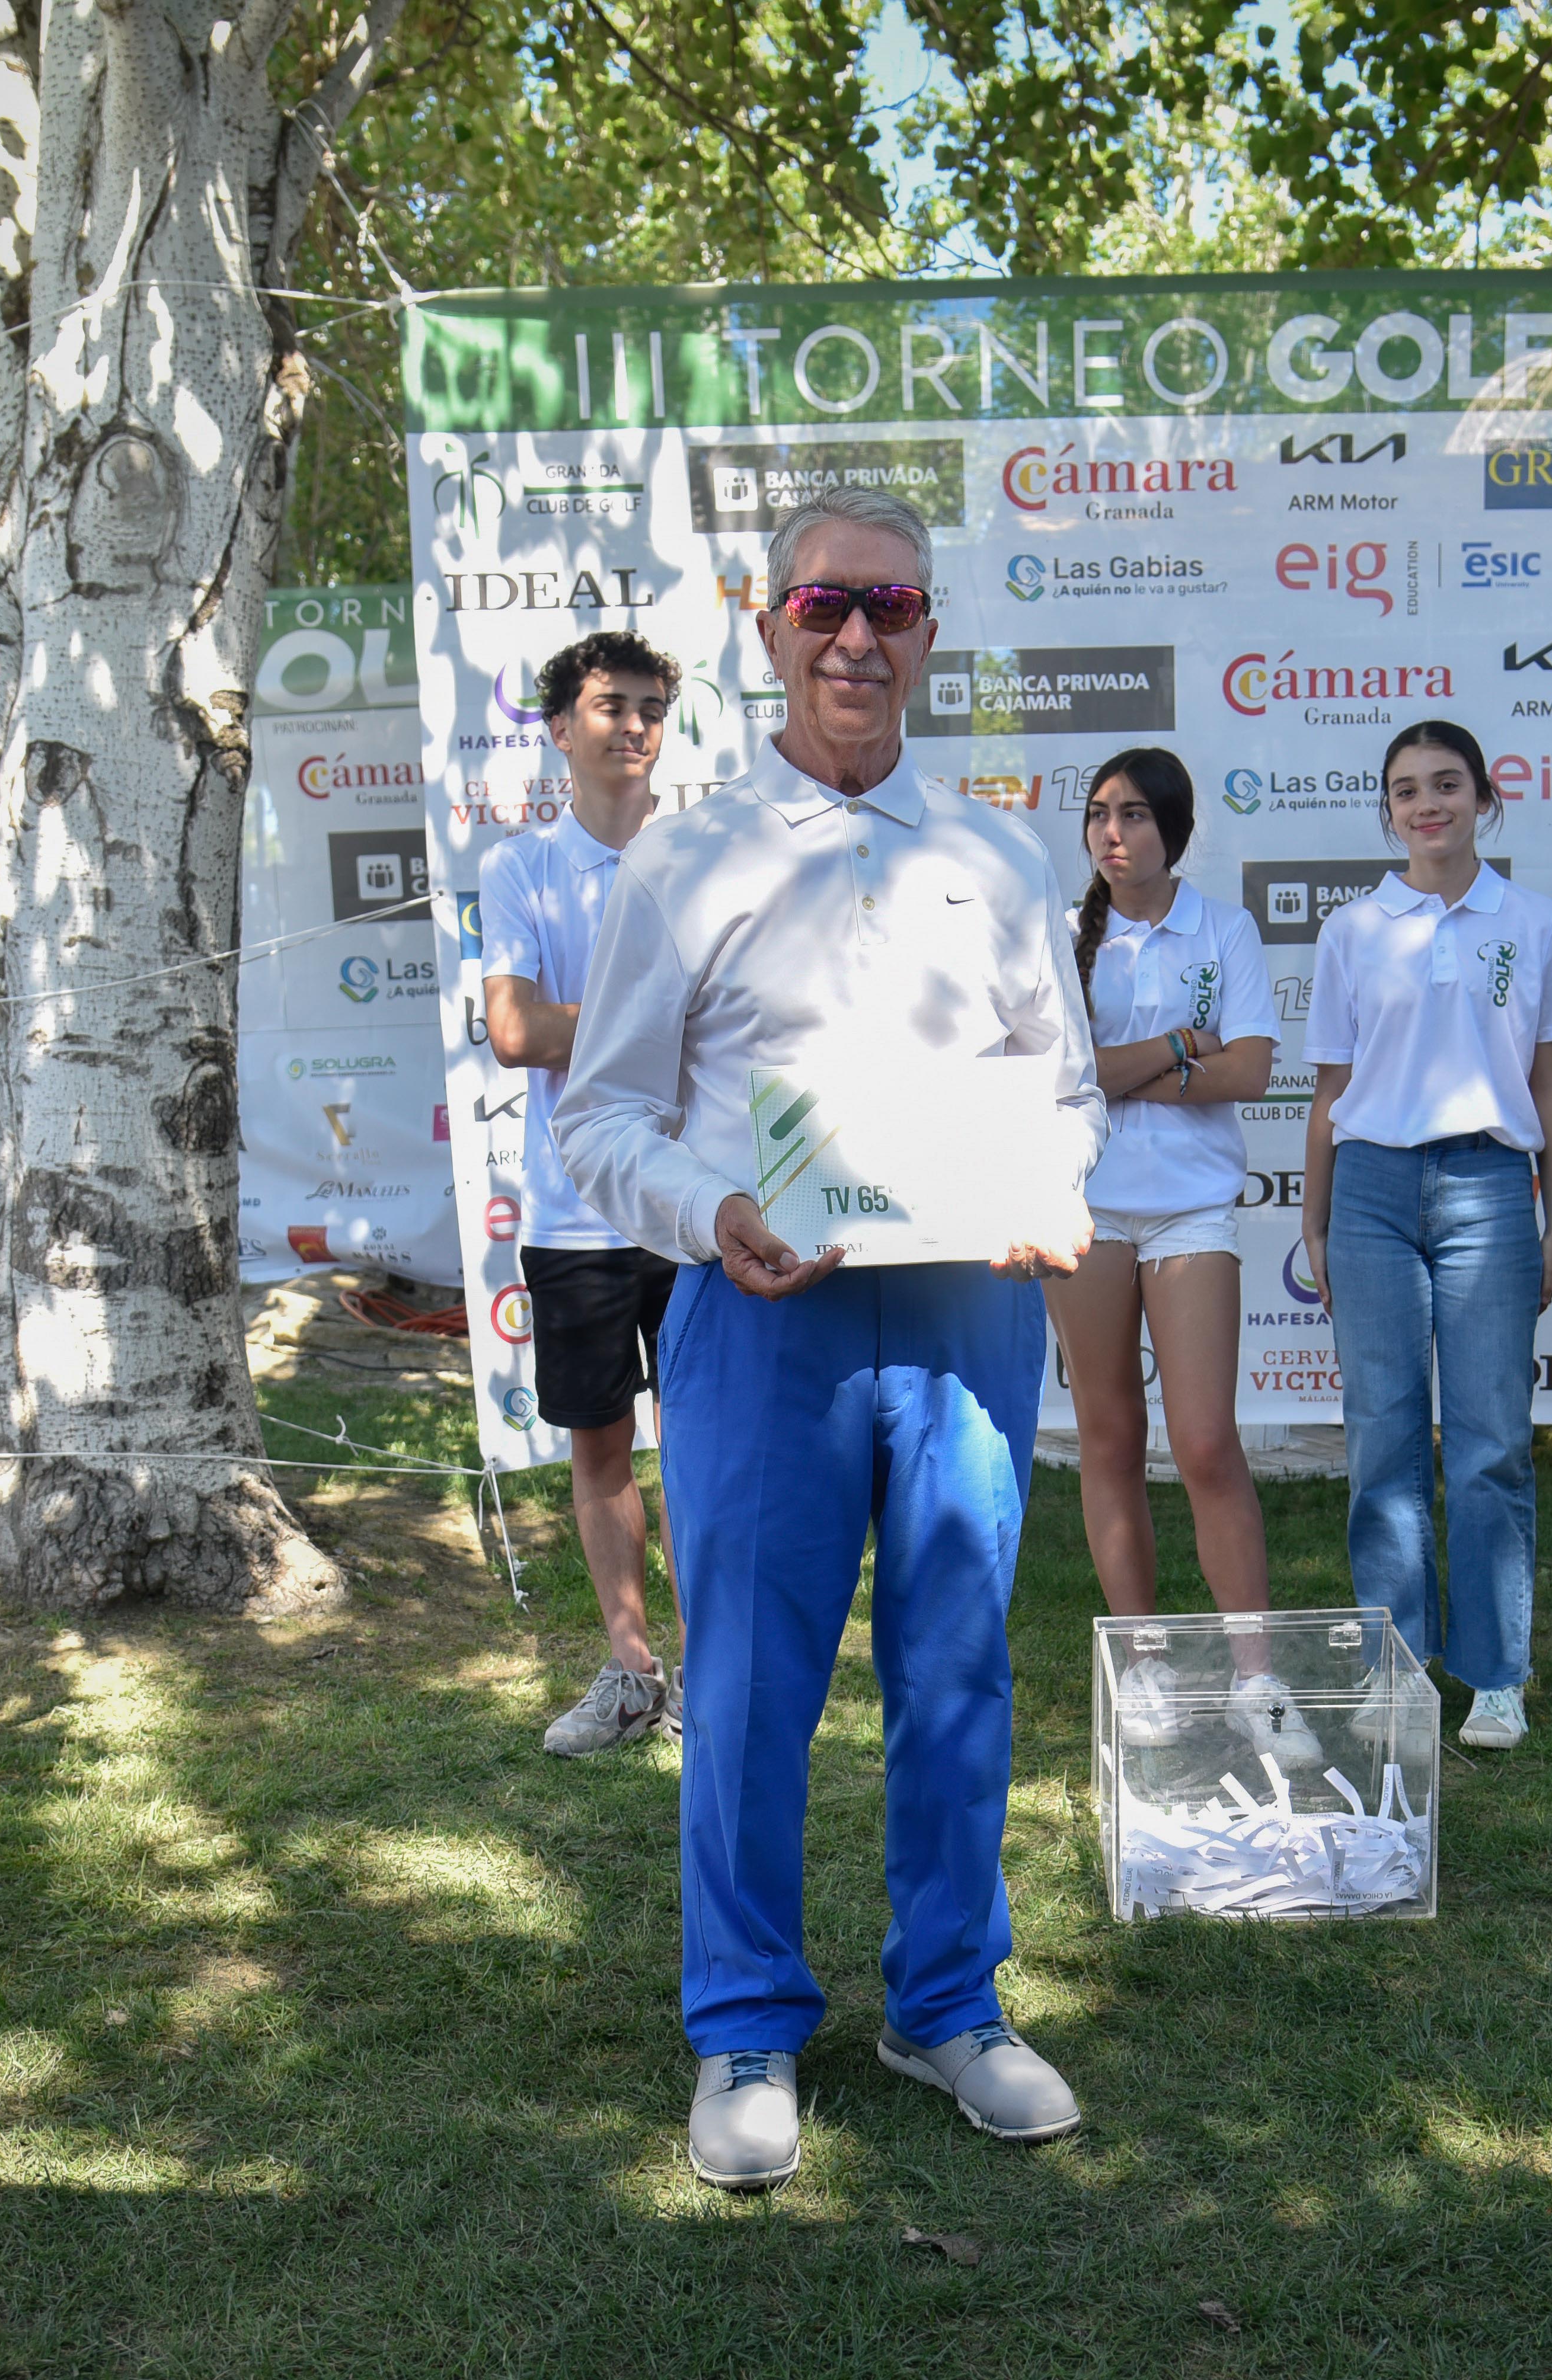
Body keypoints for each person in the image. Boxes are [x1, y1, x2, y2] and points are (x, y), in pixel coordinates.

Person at [553, 487, 1104, 2193]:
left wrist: (1051, 1189)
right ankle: (743, 2024)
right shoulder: (687, 857)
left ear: (931, 631)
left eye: (891, 606)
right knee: (747, 1683)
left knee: (953, 1674)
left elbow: (1066, 1093)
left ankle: (947, 2004)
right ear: (771, 626)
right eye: (824, 607)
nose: (857, 636)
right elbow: (607, 1118)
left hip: (965, 1317)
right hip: (760, 1318)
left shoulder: (1005, 858)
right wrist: (709, 1210)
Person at [1299, 719, 1552, 1753]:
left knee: (1491, 1442)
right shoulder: (1352, 929)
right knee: (1382, 1437)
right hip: (1371, 1187)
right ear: (1388, 811)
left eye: (1447, 785)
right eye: (1408, 790)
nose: (1428, 805)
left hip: (1490, 1187)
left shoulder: (1534, 924)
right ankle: (1396, 1662)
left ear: (1484, 797)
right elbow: (1333, 1085)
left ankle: (1496, 1674)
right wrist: (1315, 1214)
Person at [1043, 747, 1314, 1765]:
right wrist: (1176, 1048)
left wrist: (1133, 1071)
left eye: (1135, 816)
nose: (1112, 833)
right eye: (1098, 815)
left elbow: (1248, 1068)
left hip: (1193, 1210)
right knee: (1107, 1440)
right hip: (1090, 1212)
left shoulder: (1224, 926)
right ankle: (1146, 1663)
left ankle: (1257, 1677)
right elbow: (1066, 1077)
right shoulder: (1067, 935)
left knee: (1204, 1442)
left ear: (1176, 830)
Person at [483, 628, 687, 1758]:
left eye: (653, 706)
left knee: (703, 1449)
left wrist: (596, 1030)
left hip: (699, 1206)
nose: (636, 724)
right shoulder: (522, 869)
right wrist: (651, 1027)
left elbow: (729, 1035)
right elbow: (516, 1031)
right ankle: (629, 1673)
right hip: (574, 1215)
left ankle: (709, 1679)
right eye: (612, 705)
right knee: (600, 1449)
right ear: (561, 727)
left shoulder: (700, 857)